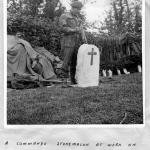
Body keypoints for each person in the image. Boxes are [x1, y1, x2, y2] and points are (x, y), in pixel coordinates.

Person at [59, 0, 86, 87]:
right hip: (67, 41)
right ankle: (63, 81)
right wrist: (74, 30)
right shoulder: (64, 16)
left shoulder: (78, 18)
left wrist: (84, 38)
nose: (78, 11)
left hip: (76, 42)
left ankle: (73, 80)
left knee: (75, 61)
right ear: (73, 8)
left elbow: (81, 29)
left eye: (79, 9)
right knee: (66, 61)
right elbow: (63, 29)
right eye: (77, 9)